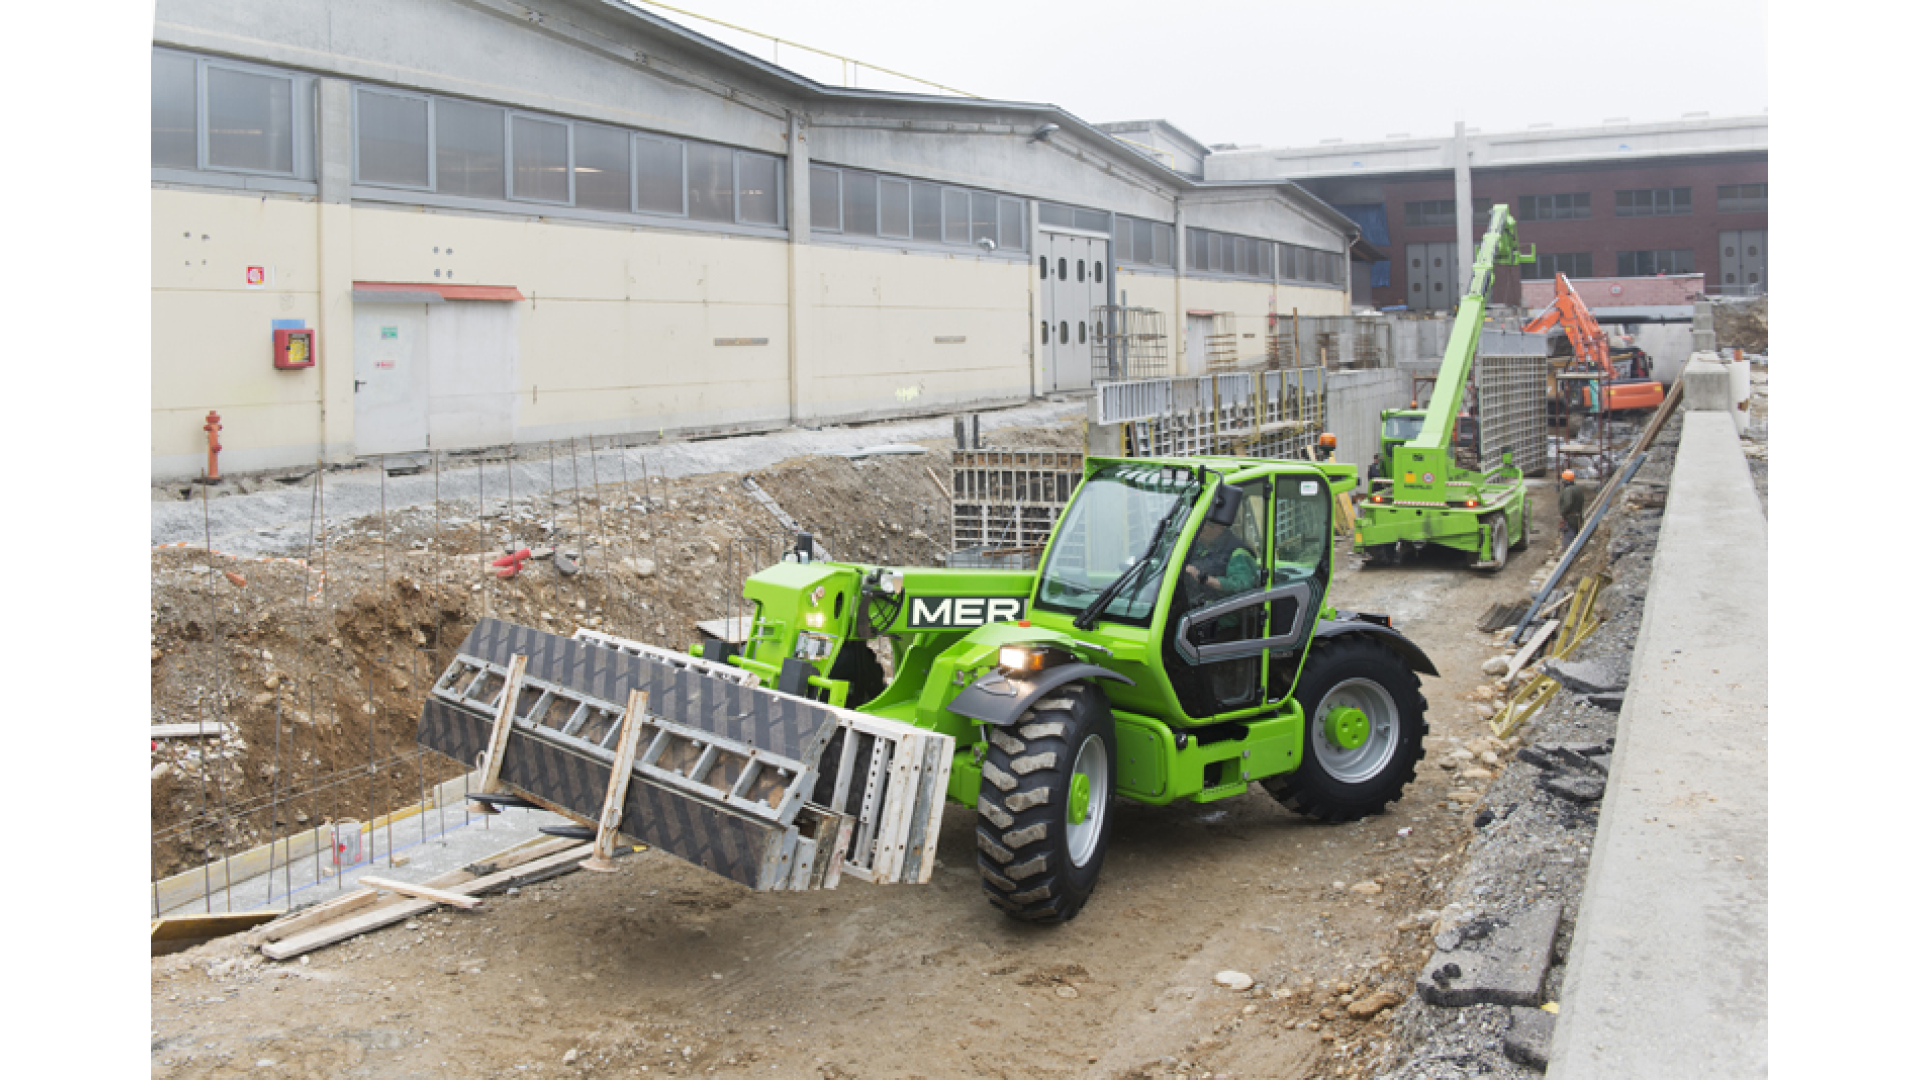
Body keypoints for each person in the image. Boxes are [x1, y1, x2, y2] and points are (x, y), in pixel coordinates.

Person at [1558, 469, 1587, 548]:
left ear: (1565, 480)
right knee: (1576, 537)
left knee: (1569, 541)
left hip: (1570, 519)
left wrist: (1562, 512)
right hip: (1578, 518)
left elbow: (1568, 503)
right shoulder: (1578, 489)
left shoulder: (1568, 490)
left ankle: (1568, 555)